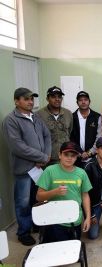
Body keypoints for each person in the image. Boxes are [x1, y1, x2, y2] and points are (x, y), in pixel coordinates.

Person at [2, 88, 51, 246]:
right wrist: (41, 156)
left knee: (38, 198)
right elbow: (17, 146)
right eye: (26, 99)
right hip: (24, 170)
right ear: (17, 101)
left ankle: (37, 224)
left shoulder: (35, 117)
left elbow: (46, 135)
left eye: (32, 99)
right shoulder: (11, 120)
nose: (31, 102)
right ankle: (23, 232)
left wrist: (46, 155)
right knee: (22, 202)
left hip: (39, 168)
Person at [36, 141, 92, 243]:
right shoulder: (49, 171)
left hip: (75, 220)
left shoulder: (81, 173)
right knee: (55, 252)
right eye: (66, 154)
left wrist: (88, 217)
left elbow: (85, 196)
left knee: (71, 252)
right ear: (59, 155)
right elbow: (39, 197)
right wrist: (55, 192)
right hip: (54, 221)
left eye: (73, 155)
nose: (69, 158)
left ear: (76, 157)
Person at [36, 86, 73, 165]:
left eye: (59, 97)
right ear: (47, 99)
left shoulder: (68, 113)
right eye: (53, 97)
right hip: (47, 158)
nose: (57, 99)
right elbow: (37, 137)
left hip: (65, 156)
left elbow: (69, 131)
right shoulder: (39, 114)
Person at [70, 91, 102, 168]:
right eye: (80, 100)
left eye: (85, 100)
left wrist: (89, 153)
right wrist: (79, 152)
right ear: (77, 102)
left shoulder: (97, 117)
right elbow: (70, 137)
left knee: (92, 179)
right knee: (77, 179)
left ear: (89, 101)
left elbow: (99, 137)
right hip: (76, 156)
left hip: (93, 157)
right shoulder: (71, 117)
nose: (83, 102)